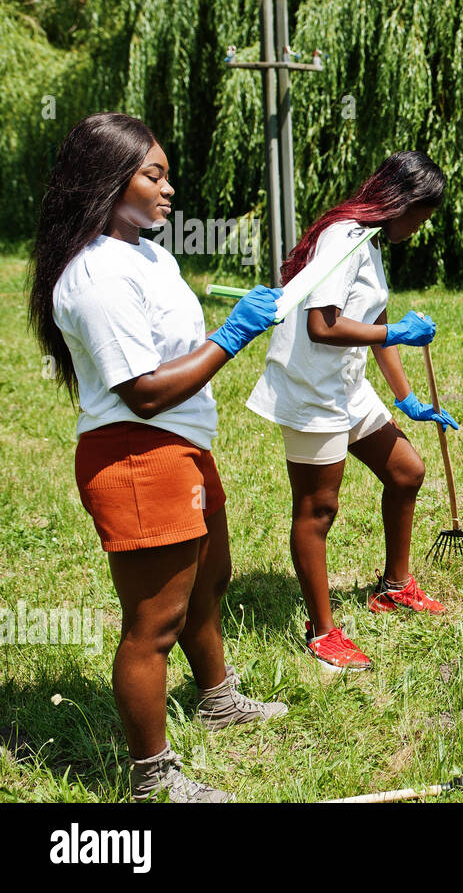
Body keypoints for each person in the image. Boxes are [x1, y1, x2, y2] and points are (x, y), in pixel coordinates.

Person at [31, 112, 286, 802]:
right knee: (154, 624)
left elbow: (169, 351)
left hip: (183, 443)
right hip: (139, 452)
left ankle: (219, 698)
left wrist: (220, 324)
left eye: (166, 173)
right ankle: (154, 778)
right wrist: (232, 336)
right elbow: (142, 393)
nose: (169, 189)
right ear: (109, 182)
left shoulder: (146, 251)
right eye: (154, 175)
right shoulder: (94, 276)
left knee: (211, 579)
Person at [246, 151, 458, 673]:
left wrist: (406, 398)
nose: (420, 227)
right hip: (310, 391)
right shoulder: (343, 236)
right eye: (422, 216)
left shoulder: (369, 237)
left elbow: (374, 315)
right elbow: (324, 325)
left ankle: (393, 587)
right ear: (402, 202)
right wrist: (397, 333)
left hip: (346, 385)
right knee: (318, 510)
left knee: (407, 471)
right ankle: (321, 631)